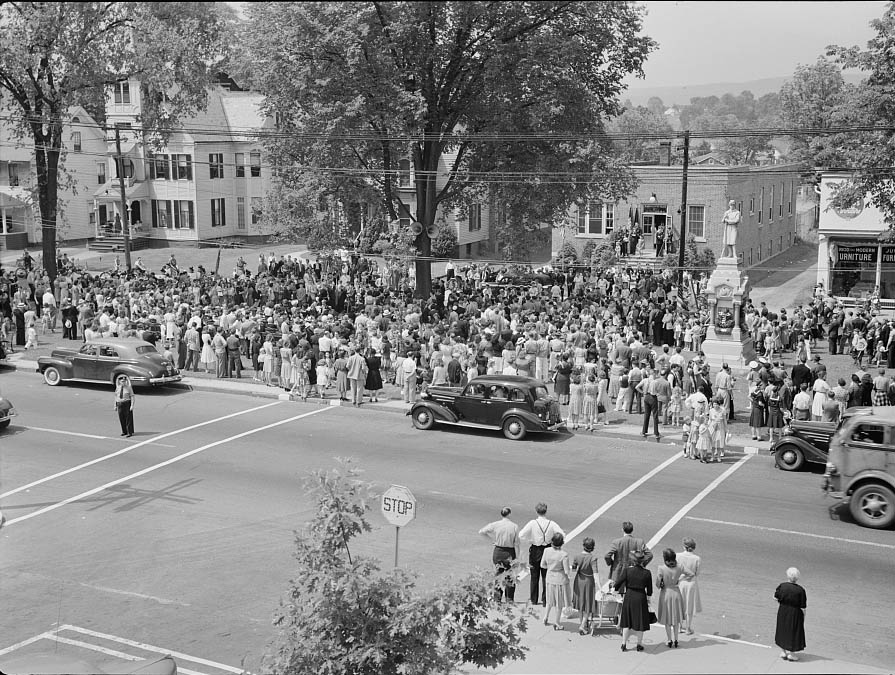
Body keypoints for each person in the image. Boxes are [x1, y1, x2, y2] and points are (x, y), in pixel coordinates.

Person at [520, 503, 565, 606]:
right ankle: (546, 600)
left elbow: (521, 534)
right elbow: (562, 534)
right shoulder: (551, 523)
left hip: (535, 550)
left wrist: (530, 540)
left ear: (536, 511)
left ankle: (534, 600)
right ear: (546, 511)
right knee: (546, 576)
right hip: (548, 549)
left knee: (534, 576)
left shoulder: (533, 523)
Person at [612, 550, 652, 652]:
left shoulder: (627, 571)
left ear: (633, 561)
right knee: (640, 622)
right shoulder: (647, 573)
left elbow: (618, 582)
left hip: (629, 596)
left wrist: (614, 590)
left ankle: (624, 644)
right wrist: (648, 601)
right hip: (640, 597)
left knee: (627, 622)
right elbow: (650, 591)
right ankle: (639, 644)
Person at [478, 507, 520, 605]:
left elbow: (482, 532)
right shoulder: (514, 526)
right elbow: (517, 543)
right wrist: (517, 558)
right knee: (510, 575)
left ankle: (497, 598)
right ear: (509, 514)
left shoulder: (496, 524)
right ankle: (509, 599)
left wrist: (493, 541)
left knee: (498, 574)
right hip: (509, 552)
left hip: (498, 551)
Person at [604, 521, 653, 587]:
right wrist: (642, 563)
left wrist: (611, 563)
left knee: (618, 592)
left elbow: (607, 555)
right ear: (632, 530)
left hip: (619, 571)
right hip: (634, 571)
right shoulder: (639, 541)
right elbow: (649, 555)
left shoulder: (616, 542)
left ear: (622, 529)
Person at [774, 567, 807, 662]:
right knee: (794, 631)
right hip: (795, 612)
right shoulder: (801, 590)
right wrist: (804, 617)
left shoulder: (782, 586)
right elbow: (803, 607)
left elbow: (775, 597)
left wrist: (783, 603)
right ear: (797, 578)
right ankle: (792, 654)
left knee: (782, 629)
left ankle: (783, 652)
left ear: (788, 576)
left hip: (783, 610)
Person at [540, 532, 571, 630]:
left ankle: (546, 617)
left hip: (549, 578)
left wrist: (550, 567)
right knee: (559, 603)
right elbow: (566, 571)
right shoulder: (564, 555)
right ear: (562, 543)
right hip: (560, 580)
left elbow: (543, 565)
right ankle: (557, 622)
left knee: (549, 600)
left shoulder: (546, 551)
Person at [656, 548, 685, 648]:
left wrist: (662, 583)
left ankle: (669, 640)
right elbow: (688, 574)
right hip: (676, 593)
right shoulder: (680, 567)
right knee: (675, 619)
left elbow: (657, 584)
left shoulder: (661, 568)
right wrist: (678, 580)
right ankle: (676, 639)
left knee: (667, 619)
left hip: (666, 593)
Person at [571, 537, 599, 635]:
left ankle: (581, 623)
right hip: (588, 581)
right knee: (588, 604)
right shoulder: (593, 558)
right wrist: (599, 586)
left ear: (583, 546)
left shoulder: (577, 556)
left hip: (579, 580)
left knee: (580, 604)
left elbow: (573, 569)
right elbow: (595, 573)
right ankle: (583, 625)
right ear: (592, 547)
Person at [677, 538, 702, 635]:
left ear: (684, 546)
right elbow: (697, 572)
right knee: (689, 606)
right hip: (691, 583)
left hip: (680, 582)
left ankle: (679, 627)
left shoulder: (678, 556)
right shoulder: (697, 558)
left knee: (680, 605)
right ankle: (688, 628)